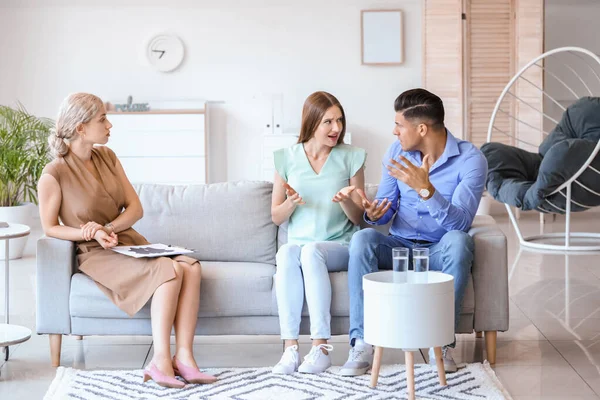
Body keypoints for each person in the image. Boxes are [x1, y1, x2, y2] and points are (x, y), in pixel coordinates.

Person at [37, 93, 217, 389]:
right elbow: (50, 227)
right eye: (102, 119)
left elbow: (135, 208)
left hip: (125, 240)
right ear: (81, 127)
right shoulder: (54, 173)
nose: (110, 125)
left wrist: (108, 227)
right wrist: (90, 232)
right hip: (94, 252)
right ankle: (160, 360)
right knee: (169, 271)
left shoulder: (107, 157)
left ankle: (184, 358)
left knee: (191, 267)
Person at [340, 88, 487, 376]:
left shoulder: (471, 160)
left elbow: (459, 224)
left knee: (460, 242)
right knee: (362, 239)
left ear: (421, 128)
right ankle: (362, 342)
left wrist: (426, 189)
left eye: (399, 125)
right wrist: (374, 212)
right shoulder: (397, 151)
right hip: (398, 245)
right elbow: (385, 204)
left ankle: (441, 344)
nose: (394, 132)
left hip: (437, 248)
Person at [271, 91, 366, 375]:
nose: (336, 128)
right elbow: (276, 216)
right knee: (287, 251)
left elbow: (360, 217)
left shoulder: (353, 156)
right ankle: (290, 349)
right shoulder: (285, 157)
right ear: (311, 123)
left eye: (339, 121)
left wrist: (347, 200)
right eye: (328, 121)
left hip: (339, 245)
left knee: (312, 251)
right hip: (299, 245)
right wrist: (289, 203)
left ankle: (321, 348)